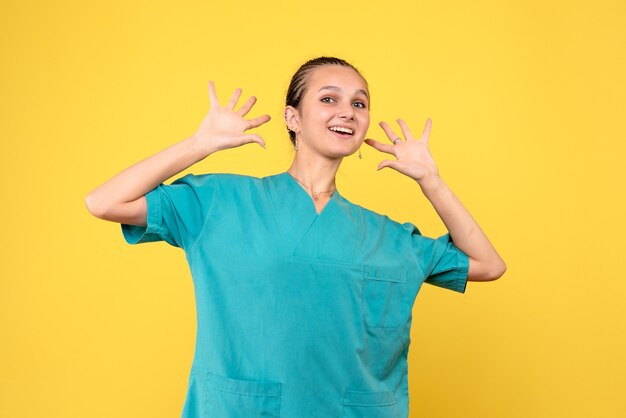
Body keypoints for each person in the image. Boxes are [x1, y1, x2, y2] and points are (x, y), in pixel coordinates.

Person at [85, 56, 506, 418]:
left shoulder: (386, 237)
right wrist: (200, 144)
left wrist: (430, 179)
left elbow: (489, 265)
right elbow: (104, 202)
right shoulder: (221, 202)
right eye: (329, 99)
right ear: (292, 117)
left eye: (359, 103)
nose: (348, 112)